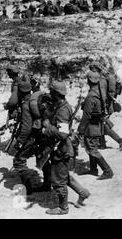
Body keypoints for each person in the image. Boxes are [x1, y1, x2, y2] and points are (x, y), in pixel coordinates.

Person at [41, 81, 90, 215]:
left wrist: (47, 126)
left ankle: (63, 208)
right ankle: (83, 192)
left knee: (58, 180)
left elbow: (62, 133)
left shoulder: (63, 110)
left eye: (52, 93)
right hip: (62, 148)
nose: (50, 94)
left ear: (56, 94)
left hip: (62, 149)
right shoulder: (60, 106)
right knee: (63, 176)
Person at [77, 71, 114, 179]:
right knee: (90, 146)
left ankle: (107, 171)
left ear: (89, 81)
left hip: (91, 125)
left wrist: (81, 129)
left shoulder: (91, 96)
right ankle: (93, 169)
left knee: (91, 148)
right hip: (96, 124)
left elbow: (86, 115)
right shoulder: (99, 93)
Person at [89, 61, 122, 151]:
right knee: (101, 124)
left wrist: (103, 107)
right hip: (102, 105)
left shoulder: (102, 79)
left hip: (104, 105)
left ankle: (120, 141)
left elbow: (104, 95)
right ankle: (102, 144)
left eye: (93, 69)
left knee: (104, 124)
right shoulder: (99, 78)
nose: (92, 71)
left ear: (97, 69)